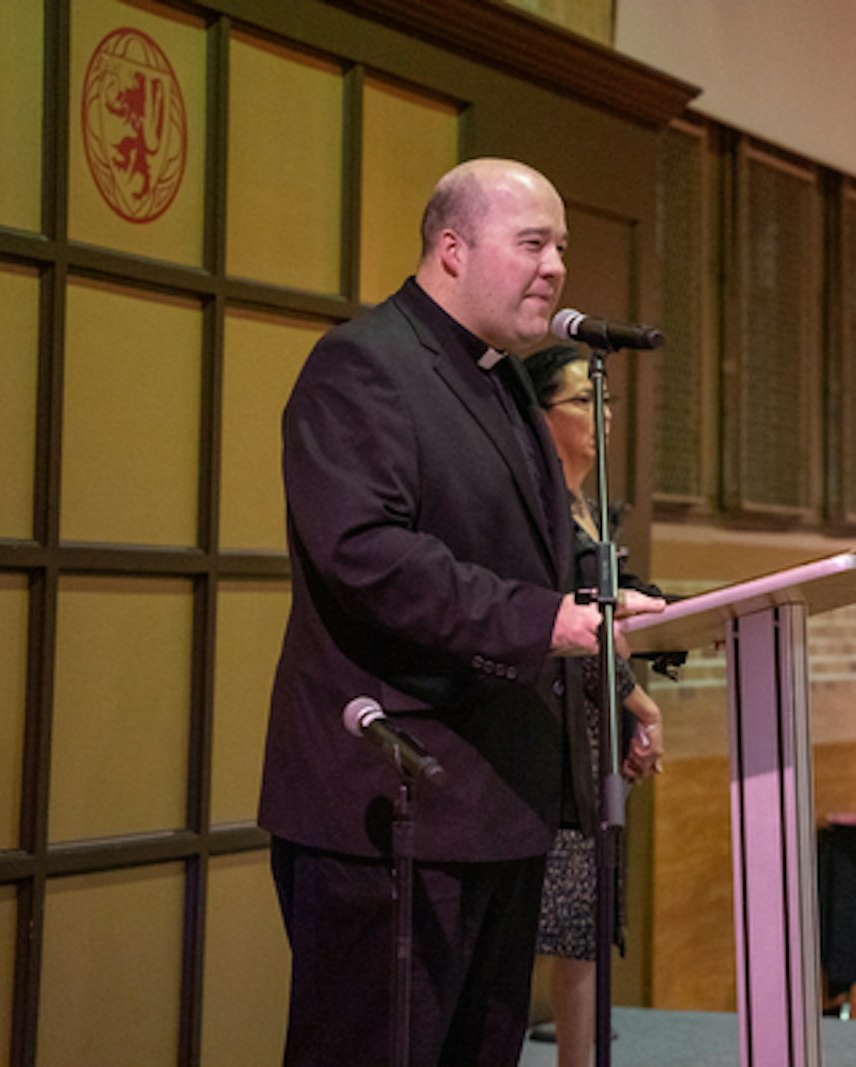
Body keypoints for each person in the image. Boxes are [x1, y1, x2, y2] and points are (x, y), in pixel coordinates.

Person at [258, 158, 662, 1066]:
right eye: (533, 244)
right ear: (451, 247)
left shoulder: (503, 378)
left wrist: (620, 603)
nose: (556, 266)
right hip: (394, 795)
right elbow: (367, 553)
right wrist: (544, 622)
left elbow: (547, 537)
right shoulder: (362, 365)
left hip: (499, 798)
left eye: (561, 245)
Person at [523, 344, 667, 1067]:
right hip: (550, 738)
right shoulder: (538, 503)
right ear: (540, 414)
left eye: (605, 401)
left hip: (594, 732)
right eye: (584, 401)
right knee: (552, 921)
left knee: (583, 926)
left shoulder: (589, 505)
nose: (602, 415)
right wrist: (638, 700)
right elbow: (574, 620)